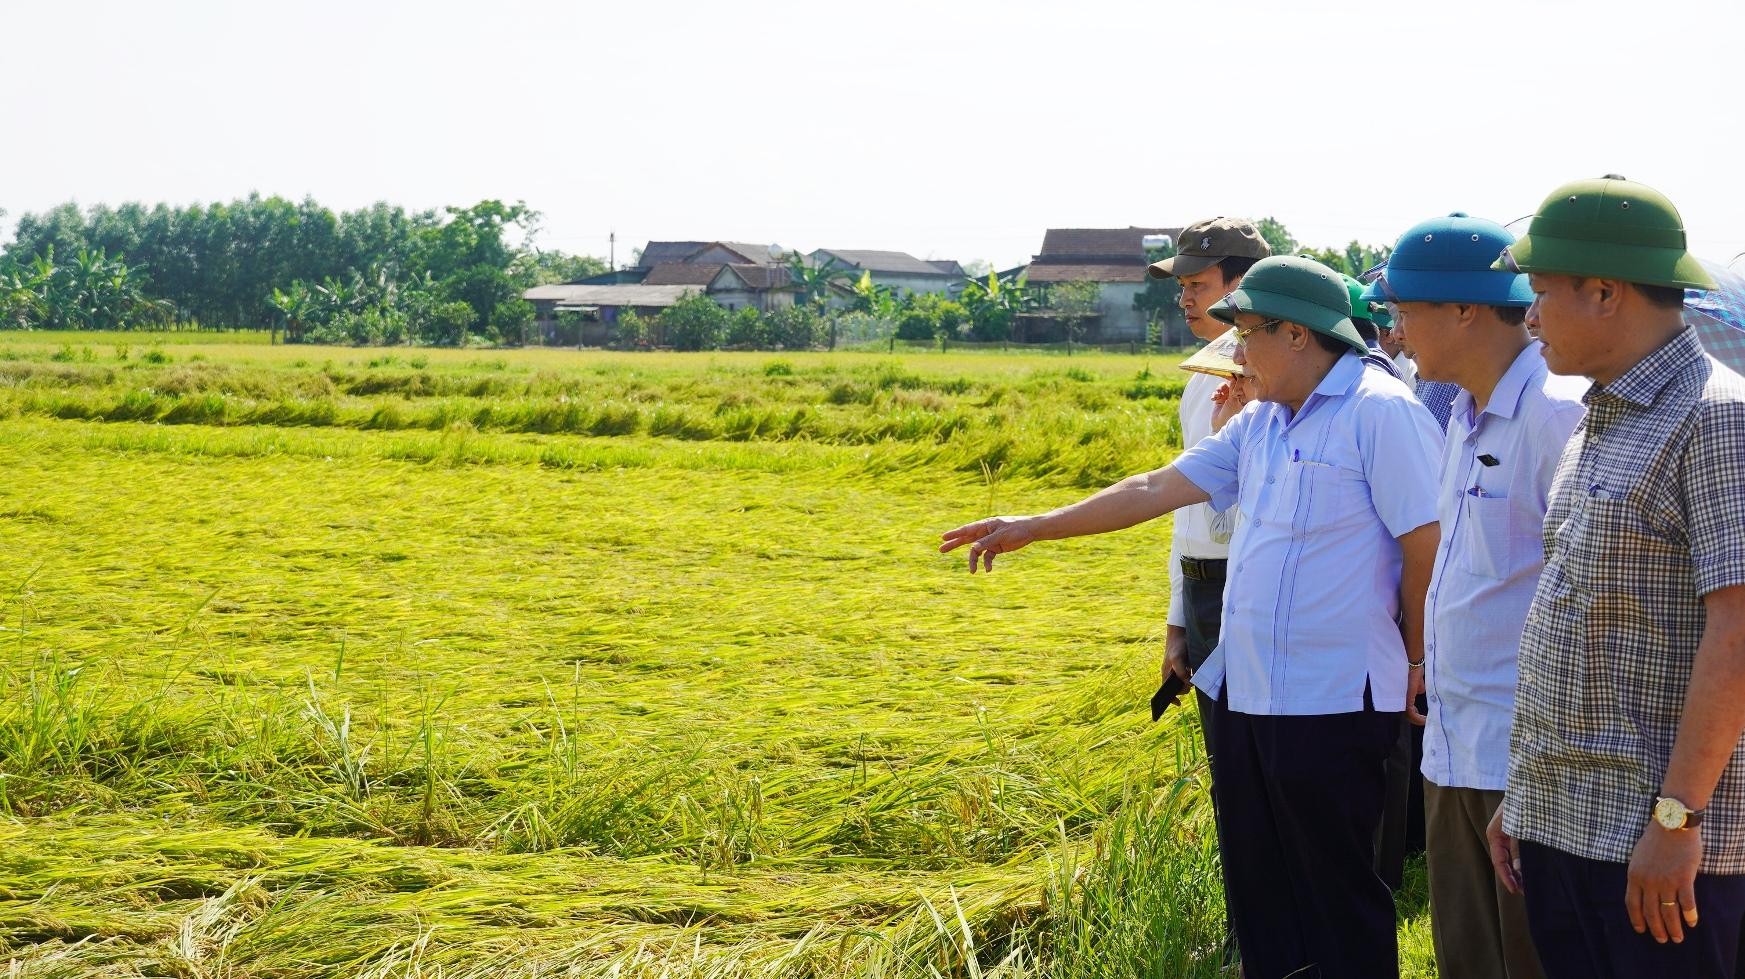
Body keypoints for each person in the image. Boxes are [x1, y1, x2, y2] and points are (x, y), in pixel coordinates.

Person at [942, 256, 1443, 978]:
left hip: (1332, 698)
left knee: (1335, 890)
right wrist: (1034, 523)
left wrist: (1419, 662)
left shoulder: (1380, 411)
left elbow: (1423, 545)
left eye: (1245, 334)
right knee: (1260, 887)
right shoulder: (1263, 422)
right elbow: (1156, 486)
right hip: (1244, 690)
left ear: (1297, 334)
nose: (1234, 354)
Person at [1483, 176, 1745, 978]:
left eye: (1540, 293)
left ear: (1604, 292)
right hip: (1569, 823)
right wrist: (1522, 795)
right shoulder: (1599, 417)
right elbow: (1576, 620)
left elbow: (1737, 629)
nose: (1527, 319)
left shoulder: (1714, 417)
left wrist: (1676, 818)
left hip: (1659, 846)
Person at [1364, 212, 1582, 979]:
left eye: (1403, 310)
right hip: (1453, 745)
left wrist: (1540, 765)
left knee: (1531, 957)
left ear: (1464, 310)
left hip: (1524, 760)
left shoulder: (1558, 414)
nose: (1393, 329)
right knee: (1466, 957)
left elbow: (1582, 601)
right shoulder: (1457, 412)